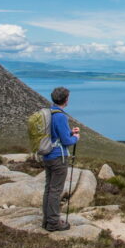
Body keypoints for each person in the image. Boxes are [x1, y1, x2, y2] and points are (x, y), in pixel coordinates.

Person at [42, 86, 80, 231]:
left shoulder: (49, 113)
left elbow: (57, 134)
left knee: (49, 188)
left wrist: (70, 132)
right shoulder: (61, 116)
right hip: (58, 157)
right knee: (56, 190)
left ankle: (46, 220)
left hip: (47, 155)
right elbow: (66, 141)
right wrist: (75, 137)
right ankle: (53, 223)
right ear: (66, 99)